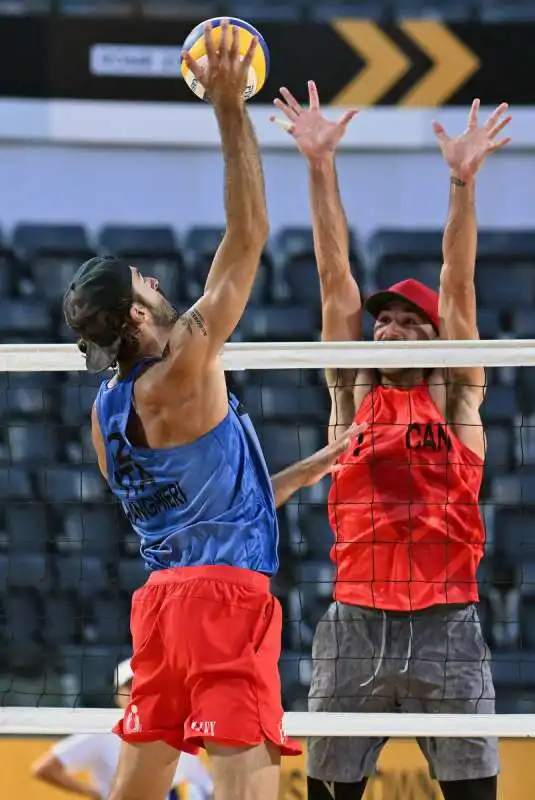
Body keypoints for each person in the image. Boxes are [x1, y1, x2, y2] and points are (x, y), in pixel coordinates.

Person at [62, 24, 362, 800]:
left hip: (160, 608)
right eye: (144, 283)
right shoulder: (184, 362)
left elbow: (197, 508)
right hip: (226, 602)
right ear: (134, 317)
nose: (159, 283)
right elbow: (250, 233)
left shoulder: (106, 413)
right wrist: (230, 107)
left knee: (137, 789)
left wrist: (304, 471)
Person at [272, 82, 512, 800]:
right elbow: (332, 273)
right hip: (355, 621)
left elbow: (458, 283)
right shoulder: (353, 394)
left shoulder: (455, 394)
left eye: (410, 324)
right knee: (325, 791)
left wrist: (461, 184)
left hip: (448, 622)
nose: (390, 330)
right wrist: (319, 166)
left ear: (437, 341)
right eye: (385, 322)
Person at [32, 658, 213, 800]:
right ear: (117, 693)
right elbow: (45, 768)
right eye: (130, 684)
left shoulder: (178, 732)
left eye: (144, 684)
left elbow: (207, 789)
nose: (138, 691)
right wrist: (94, 793)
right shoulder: (100, 732)